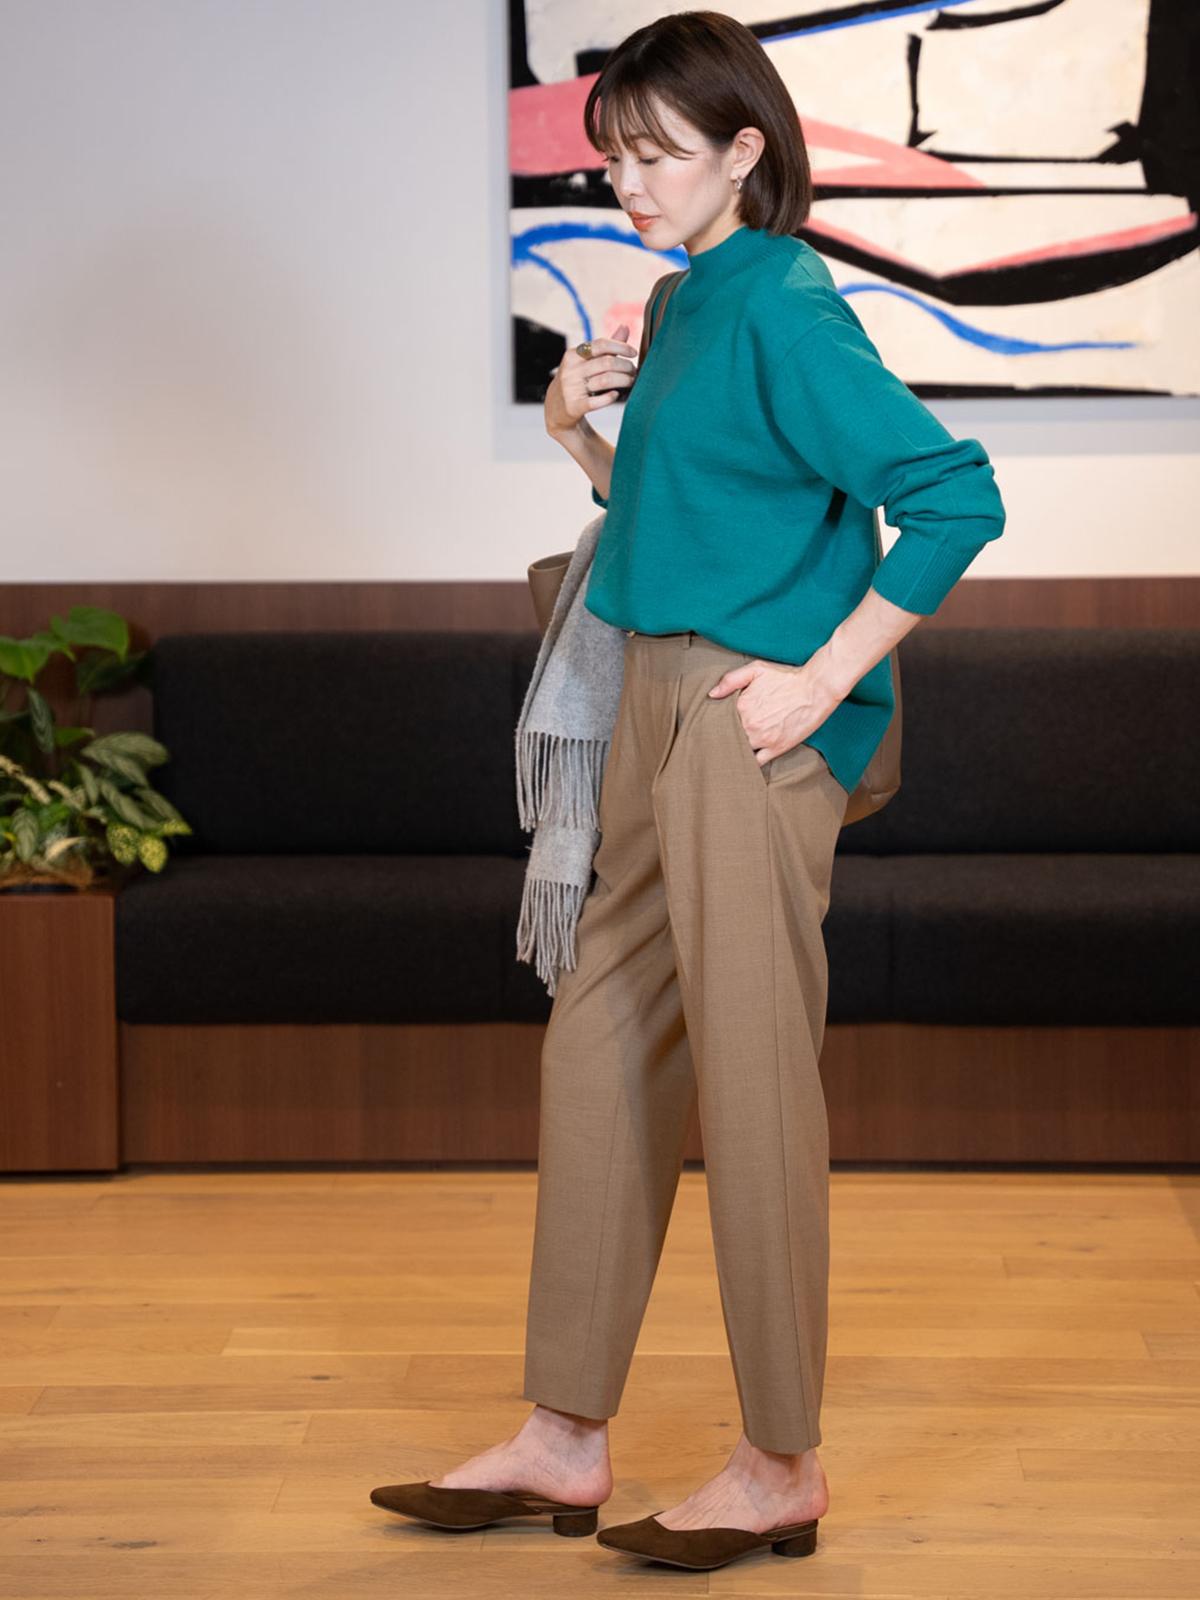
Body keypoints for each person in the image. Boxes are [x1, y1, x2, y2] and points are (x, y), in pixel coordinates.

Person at [371, 10, 1005, 1571]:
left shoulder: (782, 298)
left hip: (743, 719)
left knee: (752, 1074)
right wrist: (576, 432)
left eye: (659, 153)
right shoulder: (680, 299)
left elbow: (953, 495)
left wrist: (823, 676)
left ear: (744, 150)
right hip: (646, 701)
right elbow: (684, 519)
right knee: (597, 1047)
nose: (630, 181)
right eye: (615, 156)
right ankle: (563, 1434)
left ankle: (781, 1460)